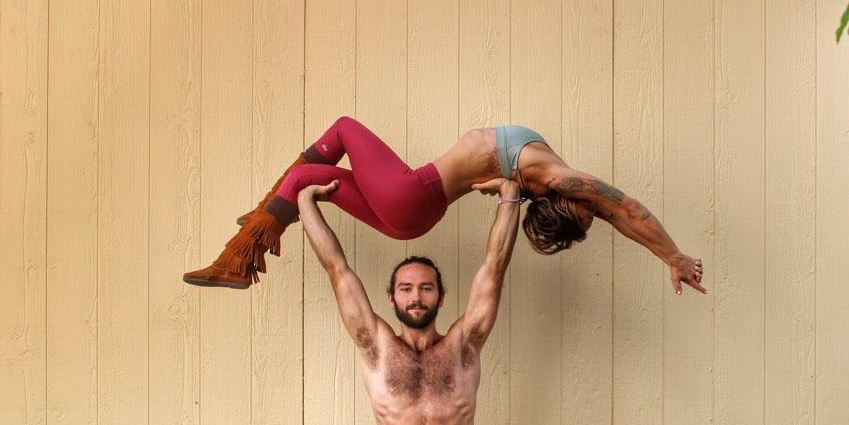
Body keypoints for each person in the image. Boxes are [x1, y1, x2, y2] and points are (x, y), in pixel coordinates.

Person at [183, 117, 705, 295]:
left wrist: (672, 257)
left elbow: (627, 210)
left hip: (412, 195)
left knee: (343, 127)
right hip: (410, 215)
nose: (598, 207)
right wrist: (667, 256)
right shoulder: (547, 181)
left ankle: (249, 237)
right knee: (304, 179)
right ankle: (242, 255)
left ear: (568, 204)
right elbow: (618, 215)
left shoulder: (555, 177)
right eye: (594, 212)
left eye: (588, 210)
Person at [297, 175, 526, 425]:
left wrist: (510, 197)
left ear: (440, 297)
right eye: (406, 288)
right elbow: (337, 270)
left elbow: (494, 267)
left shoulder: (463, 346)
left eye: (426, 288)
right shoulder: (376, 346)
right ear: (390, 298)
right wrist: (307, 204)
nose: (416, 297)